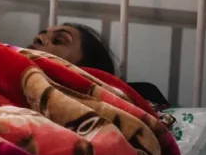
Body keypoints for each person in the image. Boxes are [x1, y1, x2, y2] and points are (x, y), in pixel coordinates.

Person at [31, 23, 170, 109]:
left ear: (85, 66)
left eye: (58, 40)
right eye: (41, 34)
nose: (39, 38)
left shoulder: (140, 96)